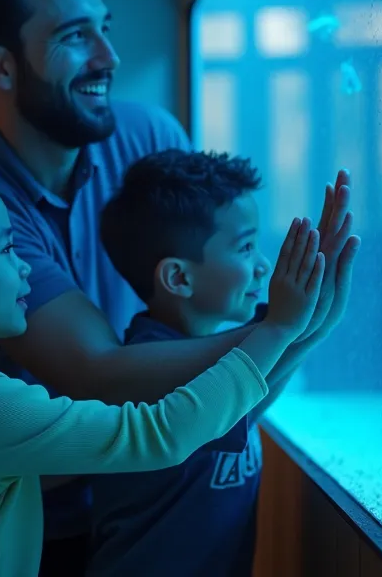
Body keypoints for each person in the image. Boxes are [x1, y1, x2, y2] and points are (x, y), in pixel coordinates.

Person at [0, 0, 358, 571]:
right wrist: (284, 325)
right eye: (74, 36)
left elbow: (212, 291)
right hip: (28, 526)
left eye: (104, 27)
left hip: (168, 478)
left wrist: (304, 321)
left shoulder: (148, 135)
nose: (108, 55)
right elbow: (93, 372)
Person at [0, 162, 325, 576]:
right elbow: (161, 432)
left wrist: (305, 325)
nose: (26, 268)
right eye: (7, 248)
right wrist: (279, 327)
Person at [89, 149, 358, 576]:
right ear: (179, 277)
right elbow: (248, 379)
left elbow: (256, 393)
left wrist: (315, 315)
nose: (262, 265)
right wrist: (294, 323)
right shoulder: (150, 386)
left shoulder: (227, 361)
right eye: (245, 247)